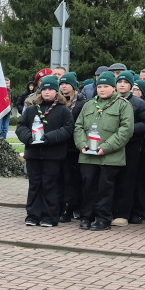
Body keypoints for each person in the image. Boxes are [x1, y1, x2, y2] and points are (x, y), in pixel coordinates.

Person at [72, 71, 134, 231]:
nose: (101, 89)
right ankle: (87, 217)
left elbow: (126, 130)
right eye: (99, 86)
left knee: (105, 189)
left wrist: (105, 147)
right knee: (88, 187)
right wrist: (82, 144)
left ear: (113, 88)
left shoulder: (123, 105)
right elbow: (78, 126)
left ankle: (103, 219)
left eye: (105, 86)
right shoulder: (88, 105)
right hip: (87, 155)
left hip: (109, 157)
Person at [15, 75, 74, 227]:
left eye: (50, 89)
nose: (47, 92)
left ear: (56, 92)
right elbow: (21, 127)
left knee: (50, 184)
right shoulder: (31, 109)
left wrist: (48, 138)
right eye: (44, 90)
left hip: (53, 155)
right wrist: (29, 138)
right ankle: (33, 215)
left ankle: (50, 216)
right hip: (33, 153)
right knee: (35, 184)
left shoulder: (63, 110)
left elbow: (68, 129)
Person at [111, 71, 145, 226]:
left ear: (130, 85)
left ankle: (130, 212)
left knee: (129, 180)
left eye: (126, 82)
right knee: (111, 179)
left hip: (132, 147)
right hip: (111, 146)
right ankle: (111, 211)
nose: (122, 84)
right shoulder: (109, 101)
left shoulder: (139, 103)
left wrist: (127, 130)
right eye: (119, 82)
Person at [59, 72, 86, 222]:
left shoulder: (81, 104)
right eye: (62, 84)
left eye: (67, 83)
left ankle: (74, 207)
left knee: (74, 179)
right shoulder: (58, 103)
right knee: (62, 179)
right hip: (61, 147)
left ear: (74, 86)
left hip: (75, 148)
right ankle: (64, 207)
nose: (64, 86)